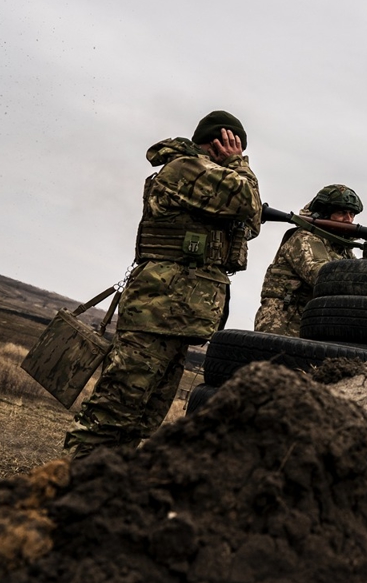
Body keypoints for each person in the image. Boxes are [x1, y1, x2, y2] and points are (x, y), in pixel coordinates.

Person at [64, 110, 262, 456]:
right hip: (157, 310)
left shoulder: (211, 180)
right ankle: (66, 487)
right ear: (221, 142)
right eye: (235, 147)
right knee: (113, 411)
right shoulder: (185, 168)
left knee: (143, 417)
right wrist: (238, 165)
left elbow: (251, 223)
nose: (238, 156)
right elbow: (247, 203)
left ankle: (102, 489)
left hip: (180, 313)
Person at [254, 184, 367, 336]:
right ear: (325, 213)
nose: (349, 220)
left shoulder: (341, 249)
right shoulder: (304, 238)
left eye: (352, 214)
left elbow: (359, 288)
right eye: (342, 213)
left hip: (314, 322)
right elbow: (323, 278)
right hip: (284, 322)